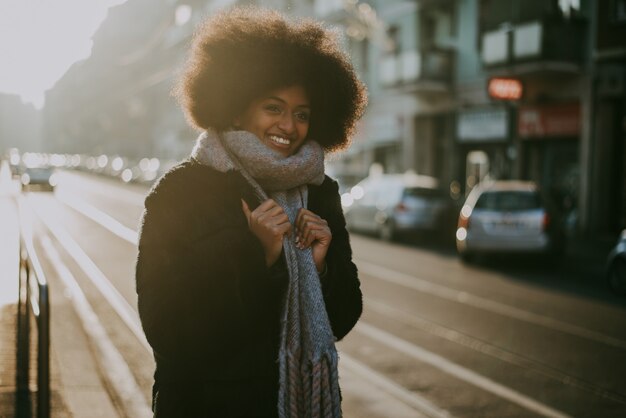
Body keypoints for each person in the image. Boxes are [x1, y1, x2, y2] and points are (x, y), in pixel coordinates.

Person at [135, 6, 366, 418]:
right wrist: (257, 255)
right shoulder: (181, 191)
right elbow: (167, 331)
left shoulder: (320, 192)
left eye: (301, 114)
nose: (288, 126)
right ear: (237, 107)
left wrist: (321, 267)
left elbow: (343, 318)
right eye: (273, 108)